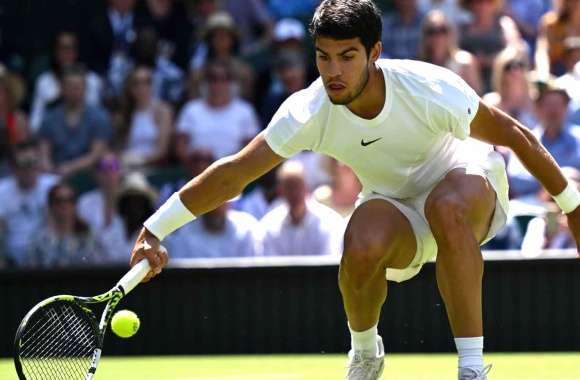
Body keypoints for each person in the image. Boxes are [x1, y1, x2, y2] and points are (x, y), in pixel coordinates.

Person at [129, 1, 580, 379]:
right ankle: (365, 352)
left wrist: (572, 208)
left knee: (446, 208)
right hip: (395, 203)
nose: (334, 71)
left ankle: (472, 367)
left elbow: (515, 134)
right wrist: (155, 227)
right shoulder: (307, 111)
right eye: (324, 57)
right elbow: (234, 175)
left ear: (374, 52)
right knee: (359, 245)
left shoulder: (428, 87)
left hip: (464, 182)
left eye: (347, 56)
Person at [175, 59, 260, 162]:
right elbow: (181, 146)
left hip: (233, 169)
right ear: (205, 82)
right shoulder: (191, 109)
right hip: (198, 169)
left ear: (232, 82)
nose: (218, 83)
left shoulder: (245, 110)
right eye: (213, 78)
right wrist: (196, 159)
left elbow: (251, 148)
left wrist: (227, 162)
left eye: (225, 78)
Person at [507, 80, 580, 197]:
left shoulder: (578, 137)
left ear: (566, 107)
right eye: (548, 104)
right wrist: (558, 181)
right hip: (536, 206)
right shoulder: (525, 140)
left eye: (558, 104)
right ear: (538, 109)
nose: (553, 110)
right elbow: (517, 179)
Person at [38, 65, 112, 178]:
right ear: (62, 88)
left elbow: (96, 154)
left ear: (85, 89)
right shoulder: (50, 117)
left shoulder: (99, 116)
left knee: (109, 161)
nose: (74, 90)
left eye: (77, 86)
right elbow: (44, 150)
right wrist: (48, 167)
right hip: (55, 173)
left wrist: (70, 168)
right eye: (70, 86)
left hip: (89, 174)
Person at [260, 161, 344, 256]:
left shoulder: (330, 222)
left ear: (306, 186)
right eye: (289, 187)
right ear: (280, 191)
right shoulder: (269, 225)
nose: (294, 192)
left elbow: (330, 262)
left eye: (298, 185)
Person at [0, 139, 59, 267]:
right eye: (22, 164)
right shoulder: (2, 190)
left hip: (46, 256)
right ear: (13, 167)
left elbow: (57, 225)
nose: (28, 168)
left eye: (32, 163)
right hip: (11, 259)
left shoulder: (52, 186)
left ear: (38, 164)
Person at [30, 31, 103, 131]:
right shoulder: (44, 81)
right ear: (55, 52)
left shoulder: (92, 80)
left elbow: (96, 117)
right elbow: (35, 122)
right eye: (62, 48)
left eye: (70, 48)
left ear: (76, 52)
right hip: (52, 136)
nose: (66, 53)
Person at [26, 182, 105, 268]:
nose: (64, 205)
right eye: (58, 201)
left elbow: (98, 269)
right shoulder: (39, 240)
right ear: (50, 206)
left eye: (70, 200)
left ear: (75, 204)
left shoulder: (89, 236)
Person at [118, 66, 173, 168]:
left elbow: (162, 150)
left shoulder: (162, 110)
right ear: (130, 88)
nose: (141, 87)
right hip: (126, 167)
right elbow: (120, 148)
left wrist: (139, 160)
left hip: (152, 167)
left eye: (147, 82)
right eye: (136, 83)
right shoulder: (125, 114)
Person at [418, 10, 482, 94]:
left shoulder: (465, 62)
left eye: (442, 30)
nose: (438, 36)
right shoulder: (420, 65)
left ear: (450, 33)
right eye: (431, 31)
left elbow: (478, 97)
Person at [535, 0, 580, 78]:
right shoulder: (551, 24)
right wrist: (543, 75)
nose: (573, 3)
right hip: (559, 79)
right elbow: (542, 52)